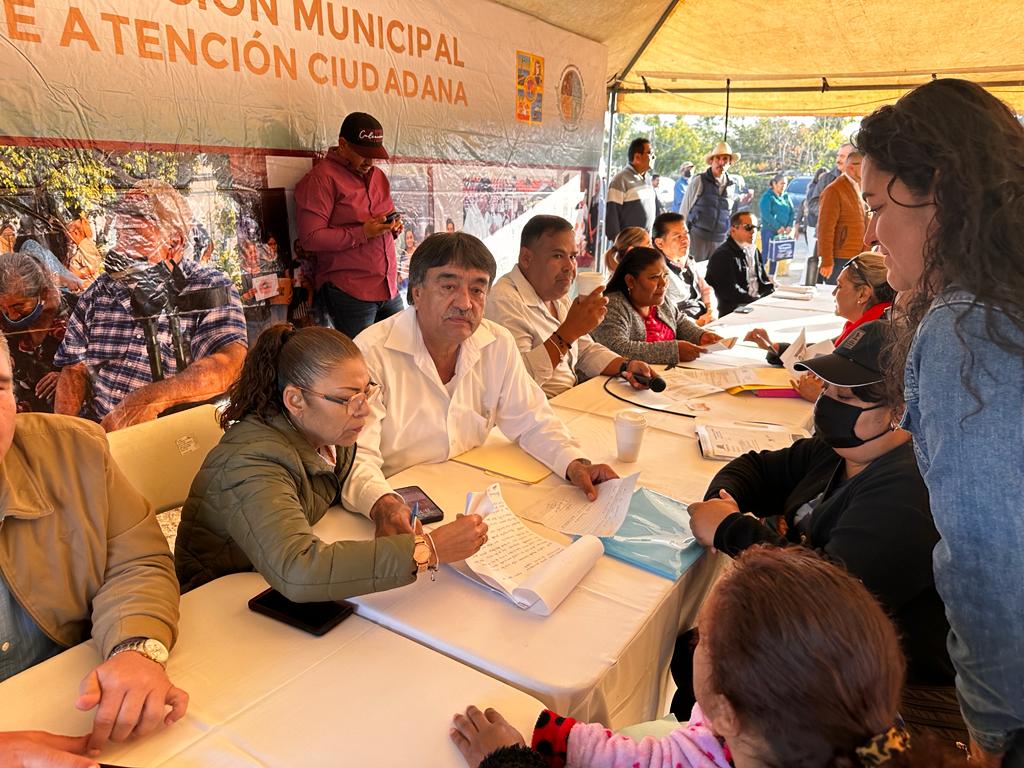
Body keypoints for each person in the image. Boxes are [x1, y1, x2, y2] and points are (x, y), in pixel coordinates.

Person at [857, 77, 1024, 766]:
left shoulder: (966, 329)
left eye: (876, 205)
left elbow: (990, 562)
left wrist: (989, 734)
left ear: (942, 194)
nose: (869, 231)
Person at [687, 320, 958, 737]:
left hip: (880, 693)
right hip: (822, 657)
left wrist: (731, 530)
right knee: (691, 652)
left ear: (899, 410)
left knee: (706, 658)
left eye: (844, 396)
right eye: (827, 390)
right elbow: (757, 468)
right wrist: (726, 499)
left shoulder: (909, 491)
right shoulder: (843, 451)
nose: (827, 405)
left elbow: (826, 594)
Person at [450, 547, 961, 768]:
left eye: (703, 641)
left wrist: (507, 760)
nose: (695, 640)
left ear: (726, 713)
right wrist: (560, 736)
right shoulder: (867, 728)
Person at [175, 324, 487, 596]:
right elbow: (298, 569)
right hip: (219, 599)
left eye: (367, 392)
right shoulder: (251, 463)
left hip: (264, 580)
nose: (364, 409)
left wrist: (385, 505)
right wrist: (426, 550)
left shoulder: (331, 435)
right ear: (295, 400)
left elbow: (347, 475)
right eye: (348, 398)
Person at [342, 233, 619, 536]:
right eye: (448, 286)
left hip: (470, 497)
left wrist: (574, 464)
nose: (465, 303)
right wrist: (383, 503)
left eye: (477, 289)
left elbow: (531, 419)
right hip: (395, 509)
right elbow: (356, 457)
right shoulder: (370, 353)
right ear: (417, 292)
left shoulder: (496, 342)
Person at [0, 331, 187, 755]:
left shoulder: (76, 450)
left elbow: (135, 563)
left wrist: (135, 647)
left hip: (74, 704)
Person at [52, 181, 247, 431]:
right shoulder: (100, 290)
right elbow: (74, 369)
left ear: (174, 243)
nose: (120, 250)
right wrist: (66, 433)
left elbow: (228, 366)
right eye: (121, 236)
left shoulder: (209, 287)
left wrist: (147, 400)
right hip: (98, 432)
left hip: (168, 438)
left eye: (135, 239)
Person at [484, 215, 654, 398]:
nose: (569, 267)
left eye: (572, 256)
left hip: (570, 400)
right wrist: (568, 332)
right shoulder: (503, 301)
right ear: (526, 258)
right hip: (535, 412)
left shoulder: (557, 296)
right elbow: (517, 381)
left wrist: (627, 366)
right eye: (557, 255)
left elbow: (585, 351)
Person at [294, 112, 404, 339]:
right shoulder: (322, 179)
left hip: (388, 286)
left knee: (400, 357)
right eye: (363, 155)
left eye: (374, 156)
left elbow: (382, 219)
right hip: (350, 291)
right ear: (343, 145)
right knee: (361, 366)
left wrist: (391, 227)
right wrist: (362, 233)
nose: (370, 162)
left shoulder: (378, 177)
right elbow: (311, 238)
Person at [745, 252, 894, 400]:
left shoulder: (876, 337)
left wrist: (821, 397)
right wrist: (775, 348)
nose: (834, 293)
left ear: (862, 294)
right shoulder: (867, 326)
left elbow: (875, 402)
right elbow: (822, 352)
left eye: (840, 286)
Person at [591, 247, 720, 365]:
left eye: (665, 275)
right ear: (630, 281)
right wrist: (673, 351)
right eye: (654, 277)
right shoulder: (612, 306)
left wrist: (700, 336)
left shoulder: (659, 301)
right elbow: (617, 348)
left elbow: (679, 322)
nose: (663, 283)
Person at [0, 252, 79, 413]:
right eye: (3, 308)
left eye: (18, 306)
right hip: (14, 413)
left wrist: (68, 377)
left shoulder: (77, 311)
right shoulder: (4, 317)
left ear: (43, 293)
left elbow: (96, 363)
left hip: (63, 416)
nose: (12, 316)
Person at [680, 142, 741, 263]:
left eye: (725, 159)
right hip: (698, 238)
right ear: (712, 161)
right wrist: (681, 236)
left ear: (730, 163)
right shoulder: (699, 181)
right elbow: (684, 210)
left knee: (716, 275)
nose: (721, 162)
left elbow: (730, 214)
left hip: (720, 240)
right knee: (695, 274)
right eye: (717, 158)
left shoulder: (732, 185)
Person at [705, 211, 773, 318]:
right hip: (734, 307)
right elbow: (730, 293)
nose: (753, 232)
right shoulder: (723, 255)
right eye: (748, 227)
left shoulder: (754, 250)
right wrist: (756, 302)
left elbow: (762, 281)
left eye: (756, 227)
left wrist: (774, 294)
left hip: (753, 303)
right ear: (733, 230)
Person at [817, 150, 868, 284]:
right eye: (864, 166)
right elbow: (825, 228)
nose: (868, 170)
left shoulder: (857, 187)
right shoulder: (833, 190)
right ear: (851, 168)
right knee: (835, 298)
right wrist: (827, 261)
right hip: (838, 258)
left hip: (855, 257)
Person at [651, 212, 712, 324]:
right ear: (659, 243)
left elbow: (706, 289)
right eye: (677, 236)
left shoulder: (687, 260)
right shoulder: (655, 270)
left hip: (704, 319)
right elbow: (665, 313)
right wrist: (696, 324)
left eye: (686, 234)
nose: (684, 240)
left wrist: (711, 309)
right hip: (682, 328)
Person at [605, 138, 657, 240]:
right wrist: (620, 246)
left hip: (646, 244)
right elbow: (612, 218)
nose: (654, 157)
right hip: (629, 247)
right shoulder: (620, 180)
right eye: (650, 153)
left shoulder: (647, 178)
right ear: (637, 157)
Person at [757, 174, 795, 273]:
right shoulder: (767, 197)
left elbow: (792, 212)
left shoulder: (786, 196)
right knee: (766, 253)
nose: (783, 186)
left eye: (785, 184)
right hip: (769, 230)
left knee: (776, 254)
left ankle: (771, 277)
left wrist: (789, 225)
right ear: (774, 184)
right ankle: (758, 275)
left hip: (782, 231)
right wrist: (778, 226)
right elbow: (766, 214)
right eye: (781, 183)